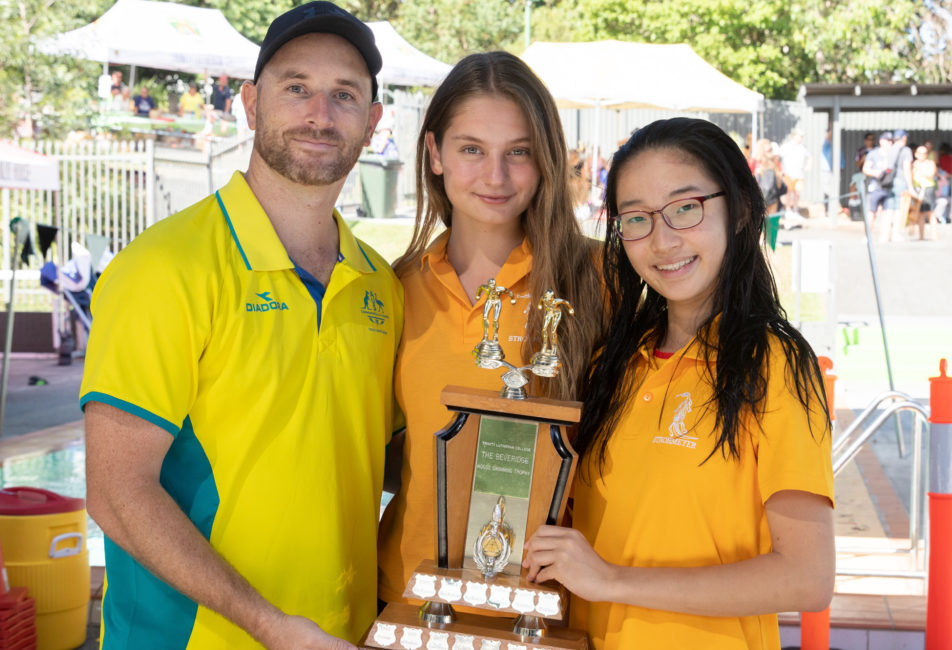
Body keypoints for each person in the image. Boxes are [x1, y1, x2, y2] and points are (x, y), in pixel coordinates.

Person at [80, 3, 399, 648]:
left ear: (372, 122)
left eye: (344, 95)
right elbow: (116, 493)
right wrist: (272, 627)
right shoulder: (166, 268)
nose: (319, 113)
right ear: (251, 104)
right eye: (296, 88)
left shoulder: (380, 286)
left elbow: (379, 462)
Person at [523, 117, 834, 649]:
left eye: (685, 209)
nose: (663, 241)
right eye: (637, 219)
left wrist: (611, 579)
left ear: (736, 209)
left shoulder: (775, 365)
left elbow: (807, 577)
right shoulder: (613, 365)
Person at [376, 51, 605, 611]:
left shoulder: (604, 280)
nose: (495, 176)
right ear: (434, 153)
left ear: (548, 158)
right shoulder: (390, 290)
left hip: (547, 618)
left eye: (518, 152)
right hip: (409, 612)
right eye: (472, 149)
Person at [778, 130, 809, 220]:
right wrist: (780, 170)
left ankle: (795, 211)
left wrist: (808, 165)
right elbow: (778, 156)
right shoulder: (787, 146)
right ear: (794, 136)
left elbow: (810, 156)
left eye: (802, 137)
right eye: (799, 136)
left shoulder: (803, 147)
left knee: (797, 193)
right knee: (788, 193)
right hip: (788, 174)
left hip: (799, 175)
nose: (801, 138)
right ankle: (788, 211)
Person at [911, 144, 938, 240]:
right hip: (917, 189)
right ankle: (921, 236)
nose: (921, 155)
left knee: (930, 213)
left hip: (927, 189)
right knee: (919, 213)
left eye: (924, 153)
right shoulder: (913, 164)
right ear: (916, 154)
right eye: (919, 153)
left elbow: (931, 174)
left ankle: (934, 236)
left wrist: (919, 168)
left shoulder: (930, 163)